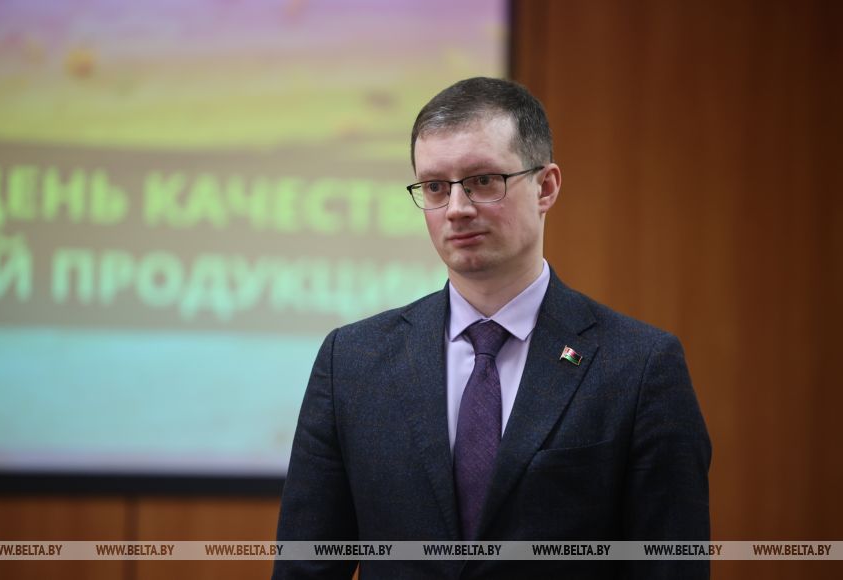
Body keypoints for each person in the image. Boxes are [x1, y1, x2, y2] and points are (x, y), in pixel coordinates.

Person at [273, 77, 711, 579]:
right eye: (435, 187)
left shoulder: (640, 366)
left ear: (546, 187)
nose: (457, 209)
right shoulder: (352, 361)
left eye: (482, 180)